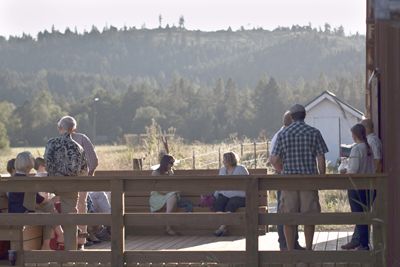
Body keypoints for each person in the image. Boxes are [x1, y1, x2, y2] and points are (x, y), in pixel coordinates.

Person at [270, 104, 328, 250]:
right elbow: (321, 157)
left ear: (292, 116)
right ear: (304, 115)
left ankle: (290, 251)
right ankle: (308, 249)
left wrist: (283, 170)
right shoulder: (314, 132)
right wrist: (322, 177)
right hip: (309, 180)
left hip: (289, 182)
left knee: (288, 218)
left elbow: (275, 159)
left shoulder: (283, 134)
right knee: (309, 217)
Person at [45, 118, 88, 250]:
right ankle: (71, 254)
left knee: (46, 207)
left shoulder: (51, 143)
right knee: (70, 220)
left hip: (53, 185)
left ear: (60, 128)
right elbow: (83, 171)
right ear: (73, 129)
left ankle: (47, 247)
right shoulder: (78, 147)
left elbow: (47, 164)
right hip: (71, 187)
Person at [8, 152, 64, 250]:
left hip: (14, 213)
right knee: (49, 211)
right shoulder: (28, 181)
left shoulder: (12, 179)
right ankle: (51, 241)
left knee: (48, 208)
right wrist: (50, 199)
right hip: (24, 214)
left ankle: (53, 240)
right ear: (30, 164)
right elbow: (39, 200)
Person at [57, 116, 99, 246]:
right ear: (74, 128)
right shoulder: (82, 138)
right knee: (81, 205)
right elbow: (94, 161)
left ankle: (69, 240)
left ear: (60, 128)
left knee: (66, 206)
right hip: (82, 179)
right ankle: (81, 240)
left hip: (63, 181)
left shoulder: (56, 142)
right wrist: (88, 175)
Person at [269, 111, 303, 250]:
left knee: (291, 210)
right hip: (284, 177)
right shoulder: (281, 136)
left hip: (287, 176)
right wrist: (282, 170)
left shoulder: (282, 134)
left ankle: (292, 243)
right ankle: (285, 243)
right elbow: (274, 159)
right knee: (284, 211)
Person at [340, 124, 375, 250]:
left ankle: (363, 244)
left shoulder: (356, 149)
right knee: (365, 215)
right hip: (370, 187)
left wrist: (344, 170)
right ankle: (362, 243)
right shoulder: (369, 148)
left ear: (355, 135)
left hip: (357, 187)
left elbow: (353, 170)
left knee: (359, 216)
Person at [213, 152, 248, 237]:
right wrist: (215, 194)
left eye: (224, 159)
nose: (223, 161)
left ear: (230, 160)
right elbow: (220, 184)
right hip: (225, 194)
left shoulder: (241, 169)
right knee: (218, 203)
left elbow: (248, 182)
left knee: (231, 204)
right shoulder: (222, 170)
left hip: (240, 195)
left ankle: (222, 227)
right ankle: (223, 226)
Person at [150, 154, 179, 236]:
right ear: (165, 163)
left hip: (168, 194)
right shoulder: (155, 173)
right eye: (171, 163)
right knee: (172, 195)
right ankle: (168, 226)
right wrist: (169, 192)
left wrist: (170, 174)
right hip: (157, 195)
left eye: (173, 163)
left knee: (173, 195)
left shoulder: (170, 172)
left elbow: (173, 185)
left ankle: (167, 225)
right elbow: (156, 188)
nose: (172, 165)